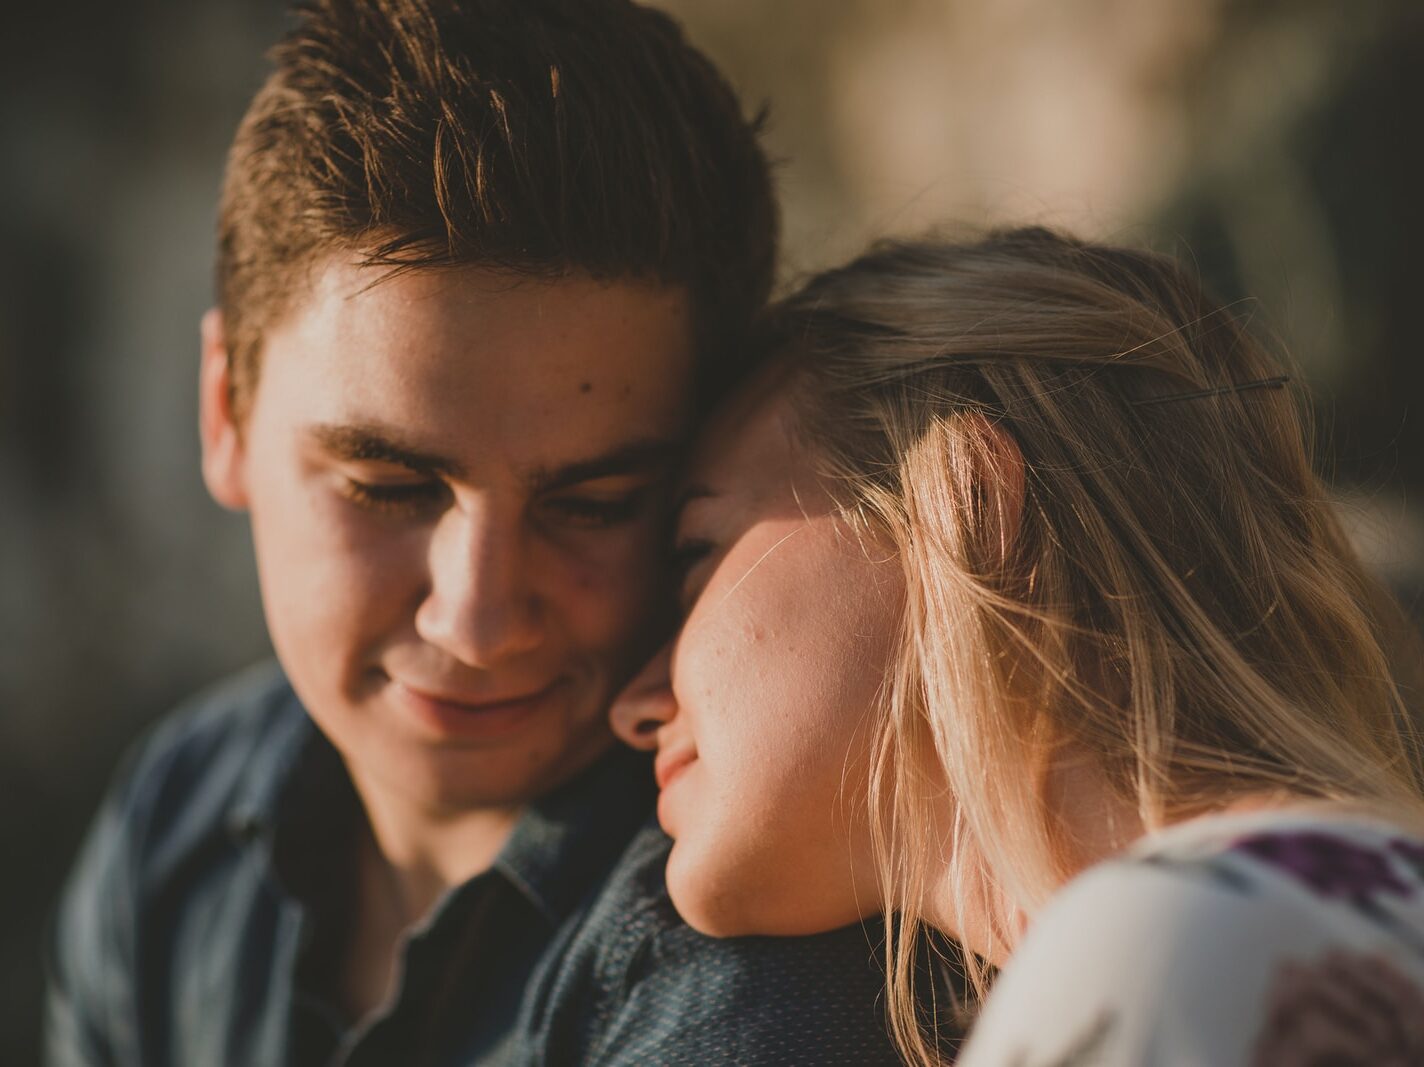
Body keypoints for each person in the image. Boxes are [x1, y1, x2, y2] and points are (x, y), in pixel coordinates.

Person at [45, 2, 915, 1064]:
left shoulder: (760, 944)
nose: (477, 618)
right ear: (223, 411)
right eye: (388, 484)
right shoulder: (175, 817)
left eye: (592, 503)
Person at [611, 226, 1424, 1065]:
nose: (632, 703)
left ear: (958, 502)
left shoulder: (1168, 954)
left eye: (693, 555)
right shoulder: (1319, 910)